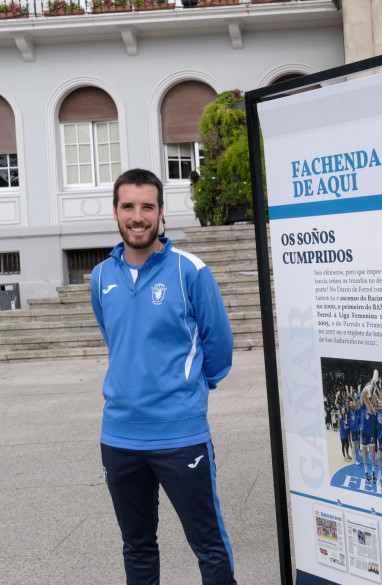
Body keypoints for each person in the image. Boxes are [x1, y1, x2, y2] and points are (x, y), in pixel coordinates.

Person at [90, 168, 237, 585]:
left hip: (181, 436)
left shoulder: (189, 270)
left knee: (208, 545)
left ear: (161, 212)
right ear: (116, 212)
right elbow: (117, 340)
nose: (138, 216)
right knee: (137, 546)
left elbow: (219, 346)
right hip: (119, 438)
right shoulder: (100, 277)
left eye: (147, 207)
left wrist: (186, 392)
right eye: (128, 207)